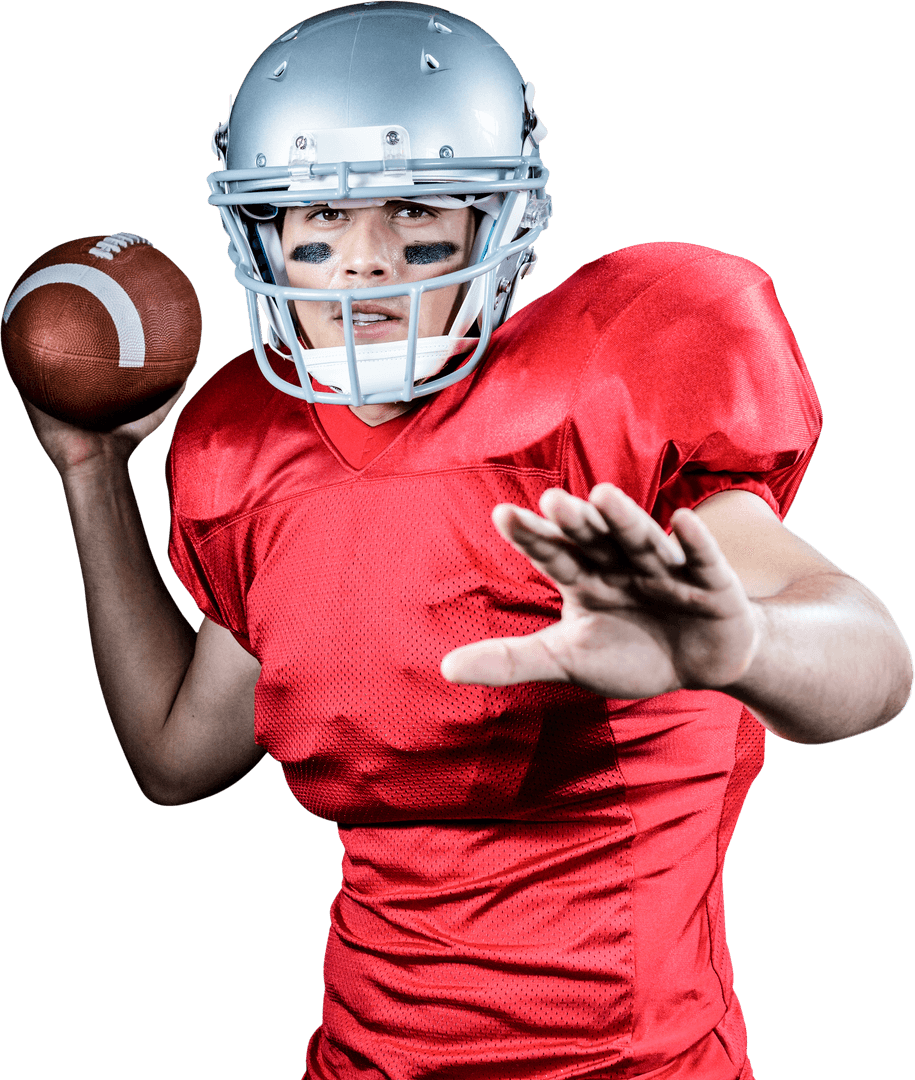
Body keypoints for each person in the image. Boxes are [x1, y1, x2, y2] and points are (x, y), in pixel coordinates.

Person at [11, 4, 911, 1079]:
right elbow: (174, 756)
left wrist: (743, 650)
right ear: (263, 240)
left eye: (417, 220)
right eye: (317, 227)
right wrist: (90, 472)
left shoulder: (604, 399)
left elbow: (877, 658)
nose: (361, 267)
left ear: (504, 228)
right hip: (359, 1060)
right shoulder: (249, 453)